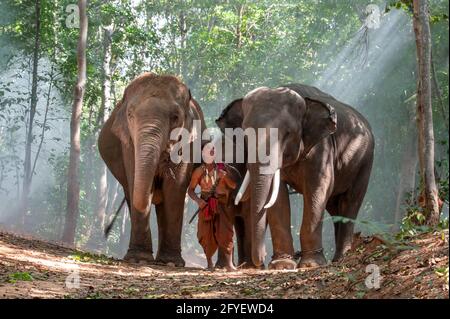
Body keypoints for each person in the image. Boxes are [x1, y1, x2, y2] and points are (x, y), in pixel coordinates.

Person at [188, 144, 237, 271]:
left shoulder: (223, 168)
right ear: (203, 154)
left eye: (213, 151)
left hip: (222, 204)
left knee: (226, 233)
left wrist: (225, 177)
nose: (210, 153)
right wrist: (198, 201)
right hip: (206, 204)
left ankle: (229, 264)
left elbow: (233, 186)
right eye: (207, 151)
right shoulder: (199, 171)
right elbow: (191, 190)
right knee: (205, 234)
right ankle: (209, 264)